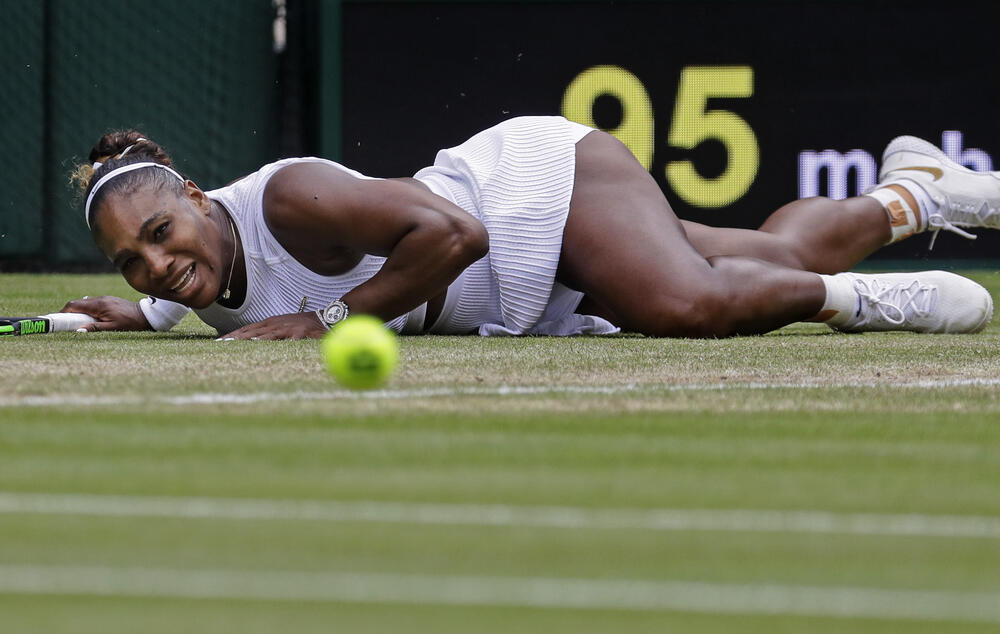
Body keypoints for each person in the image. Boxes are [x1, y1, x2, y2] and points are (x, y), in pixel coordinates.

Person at [64, 116, 996, 340]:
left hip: (529, 194)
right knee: (776, 254)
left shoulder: (289, 199)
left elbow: (454, 237)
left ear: (197, 196)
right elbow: (194, 282)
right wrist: (140, 312)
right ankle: (913, 194)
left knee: (687, 304)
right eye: (130, 261)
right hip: (517, 282)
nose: (156, 263)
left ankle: (858, 300)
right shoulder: (183, 274)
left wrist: (330, 318)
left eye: (160, 233)